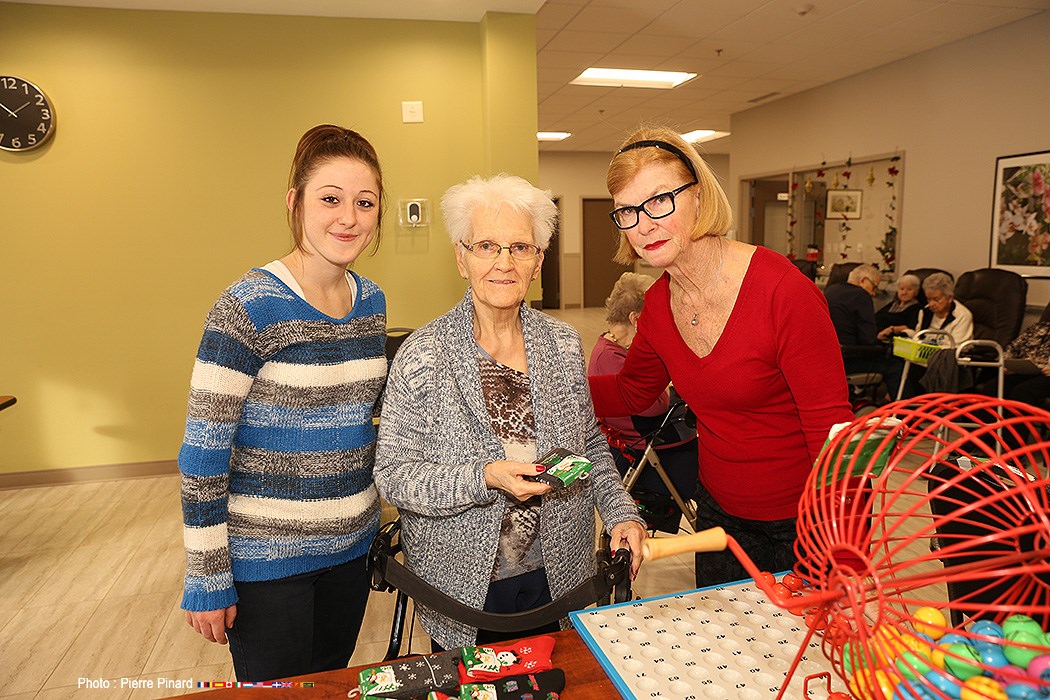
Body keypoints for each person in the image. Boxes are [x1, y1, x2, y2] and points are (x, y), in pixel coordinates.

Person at [374, 173, 647, 650]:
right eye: (486, 246)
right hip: (462, 587)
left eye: (520, 247)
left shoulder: (561, 345)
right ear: (462, 258)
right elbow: (394, 476)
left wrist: (623, 513)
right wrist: (485, 476)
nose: (504, 262)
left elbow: (590, 448)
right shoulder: (423, 355)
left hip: (560, 575)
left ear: (538, 261)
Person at [589, 127, 853, 589]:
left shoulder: (782, 291)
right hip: (718, 517)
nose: (643, 224)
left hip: (802, 520)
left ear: (698, 195)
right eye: (627, 211)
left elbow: (829, 426)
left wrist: (838, 542)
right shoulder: (657, 305)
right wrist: (541, 384)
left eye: (659, 200)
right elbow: (633, 390)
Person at [179, 125, 388, 681]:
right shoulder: (248, 305)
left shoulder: (371, 302)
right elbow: (203, 453)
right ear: (295, 203)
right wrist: (207, 574)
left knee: (329, 683)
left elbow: (360, 424)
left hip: (350, 548)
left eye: (364, 203)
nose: (348, 217)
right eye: (330, 199)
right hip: (268, 562)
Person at [587, 271, 698, 525]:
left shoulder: (615, 346)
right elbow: (652, 405)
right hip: (646, 446)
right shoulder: (611, 357)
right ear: (636, 319)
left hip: (647, 438)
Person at [884, 272, 974, 398]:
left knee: (905, 371)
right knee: (894, 363)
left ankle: (911, 407)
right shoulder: (926, 312)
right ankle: (905, 408)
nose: (931, 304)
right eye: (928, 299)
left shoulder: (962, 316)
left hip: (949, 364)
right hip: (923, 359)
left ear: (949, 297)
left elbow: (957, 348)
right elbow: (919, 335)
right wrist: (905, 333)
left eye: (936, 299)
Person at [825, 264, 883, 377]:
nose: (873, 293)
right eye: (874, 287)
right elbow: (868, 339)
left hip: (826, 356)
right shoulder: (862, 295)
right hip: (848, 359)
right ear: (864, 281)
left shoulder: (831, 290)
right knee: (895, 367)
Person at [875, 273, 922, 341]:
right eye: (901, 289)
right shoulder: (894, 304)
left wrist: (891, 329)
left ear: (916, 292)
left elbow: (910, 327)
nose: (904, 292)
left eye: (909, 289)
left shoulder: (916, 308)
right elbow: (877, 316)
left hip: (890, 339)